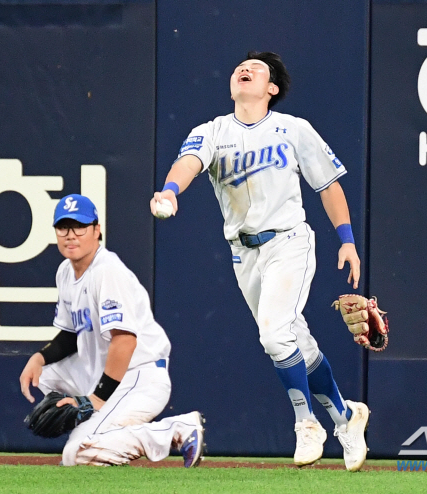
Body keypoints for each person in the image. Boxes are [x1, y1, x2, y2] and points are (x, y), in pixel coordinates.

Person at [150, 51, 369, 471]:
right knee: (295, 341)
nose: (242, 69)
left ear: (272, 88)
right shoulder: (212, 131)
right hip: (244, 253)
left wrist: (347, 241)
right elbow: (189, 163)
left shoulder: (292, 129)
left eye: (256, 69)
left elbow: (328, 184)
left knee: (272, 335)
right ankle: (346, 416)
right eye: (238, 67)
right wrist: (170, 191)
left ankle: (307, 424)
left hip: (289, 243)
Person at [19, 193, 204, 467]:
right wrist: (39, 358)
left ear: (97, 230)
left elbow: (125, 342)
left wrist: (95, 400)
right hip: (103, 372)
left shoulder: (107, 271)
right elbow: (72, 334)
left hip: (138, 375)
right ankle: (102, 430)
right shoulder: (65, 272)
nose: (71, 235)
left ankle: (175, 429)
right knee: (44, 376)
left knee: (76, 454)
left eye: (79, 227)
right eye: (63, 227)